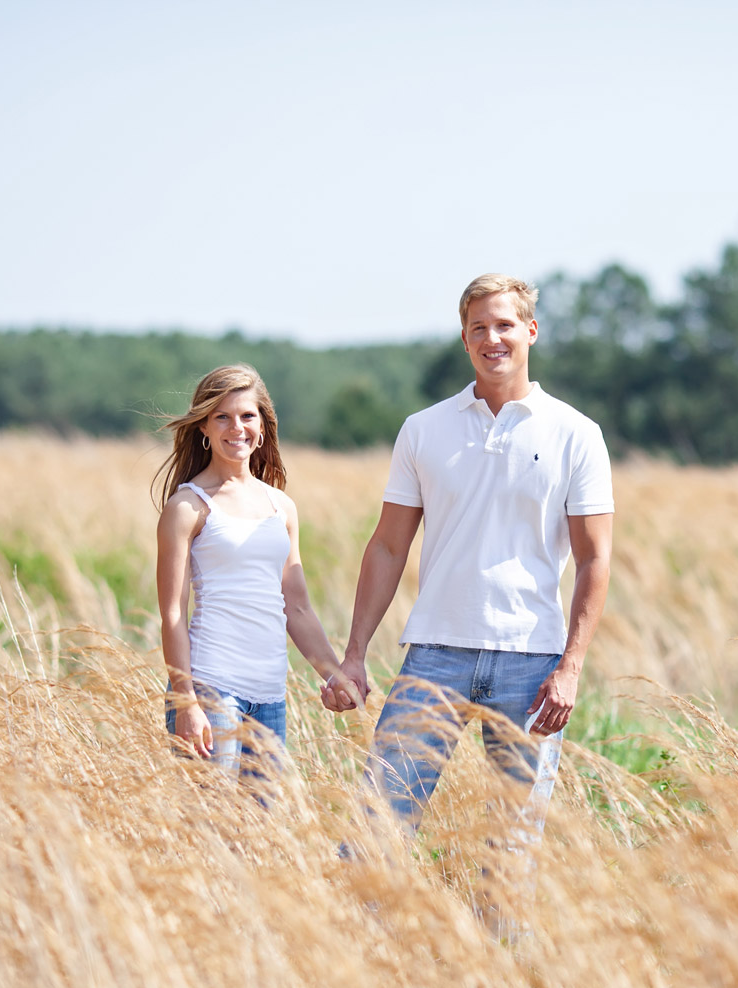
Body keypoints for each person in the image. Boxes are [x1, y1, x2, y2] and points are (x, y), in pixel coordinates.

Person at [324, 273, 614, 848]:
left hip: (532, 665)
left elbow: (594, 559)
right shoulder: (423, 429)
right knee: (374, 829)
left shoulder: (577, 434)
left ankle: (497, 943)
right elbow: (387, 546)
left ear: (530, 331)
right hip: (435, 654)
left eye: (505, 325)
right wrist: (354, 654)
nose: (493, 339)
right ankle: (359, 939)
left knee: (513, 846)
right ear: (464, 339)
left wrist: (571, 668)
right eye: (478, 328)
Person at [156, 364, 359, 783]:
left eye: (247, 416)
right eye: (222, 417)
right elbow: (173, 614)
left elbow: (298, 608)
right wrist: (186, 701)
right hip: (211, 688)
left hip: (270, 696)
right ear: (204, 429)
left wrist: (334, 675)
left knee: (260, 837)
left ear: (263, 427)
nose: (237, 428)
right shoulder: (188, 507)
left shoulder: (281, 507)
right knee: (212, 831)